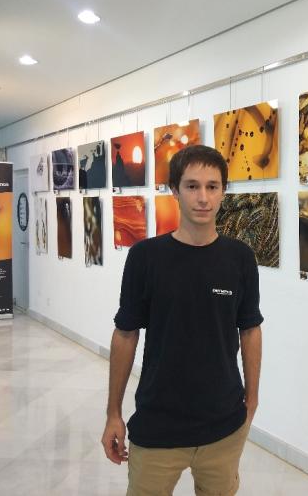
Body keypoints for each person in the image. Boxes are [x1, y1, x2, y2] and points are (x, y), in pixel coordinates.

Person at [101, 145, 263, 496]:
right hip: (158, 426)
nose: (202, 197)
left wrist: (252, 399)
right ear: (174, 190)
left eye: (212, 186)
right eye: (192, 186)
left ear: (223, 191)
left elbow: (250, 327)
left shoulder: (240, 258)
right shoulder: (146, 257)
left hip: (223, 425)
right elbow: (126, 333)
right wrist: (113, 412)